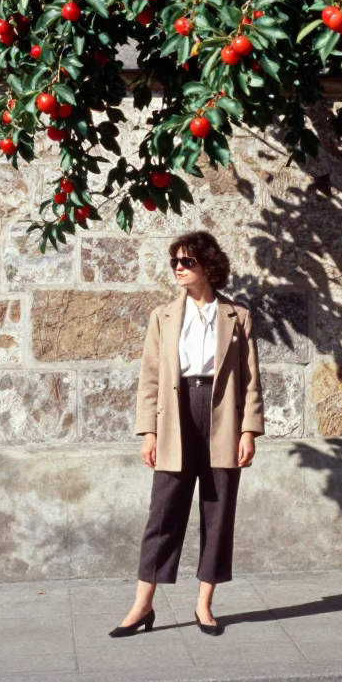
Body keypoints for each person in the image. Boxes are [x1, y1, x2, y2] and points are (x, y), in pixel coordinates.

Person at [109, 230, 266, 638]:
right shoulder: (162, 316)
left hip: (222, 419)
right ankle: (142, 606)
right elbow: (150, 377)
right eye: (175, 262)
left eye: (186, 262)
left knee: (217, 512)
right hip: (175, 415)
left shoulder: (238, 316)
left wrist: (249, 430)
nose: (178, 268)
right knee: (163, 513)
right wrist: (149, 432)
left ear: (208, 266)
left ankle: (204, 606)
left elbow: (250, 380)